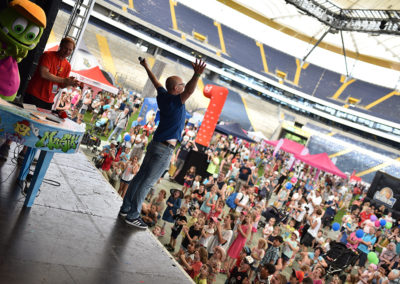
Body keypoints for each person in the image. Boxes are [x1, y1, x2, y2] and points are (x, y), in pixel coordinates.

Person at [119, 58, 206, 229]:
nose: (183, 86)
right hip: (164, 149)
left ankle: (126, 208)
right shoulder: (175, 101)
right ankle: (133, 215)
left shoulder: (163, 95)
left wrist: (146, 66)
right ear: (176, 89)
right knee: (147, 182)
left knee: (140, 177)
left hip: (155, 144)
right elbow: (189, 90)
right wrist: (196, 74)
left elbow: (156, 81)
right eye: (181, 84)